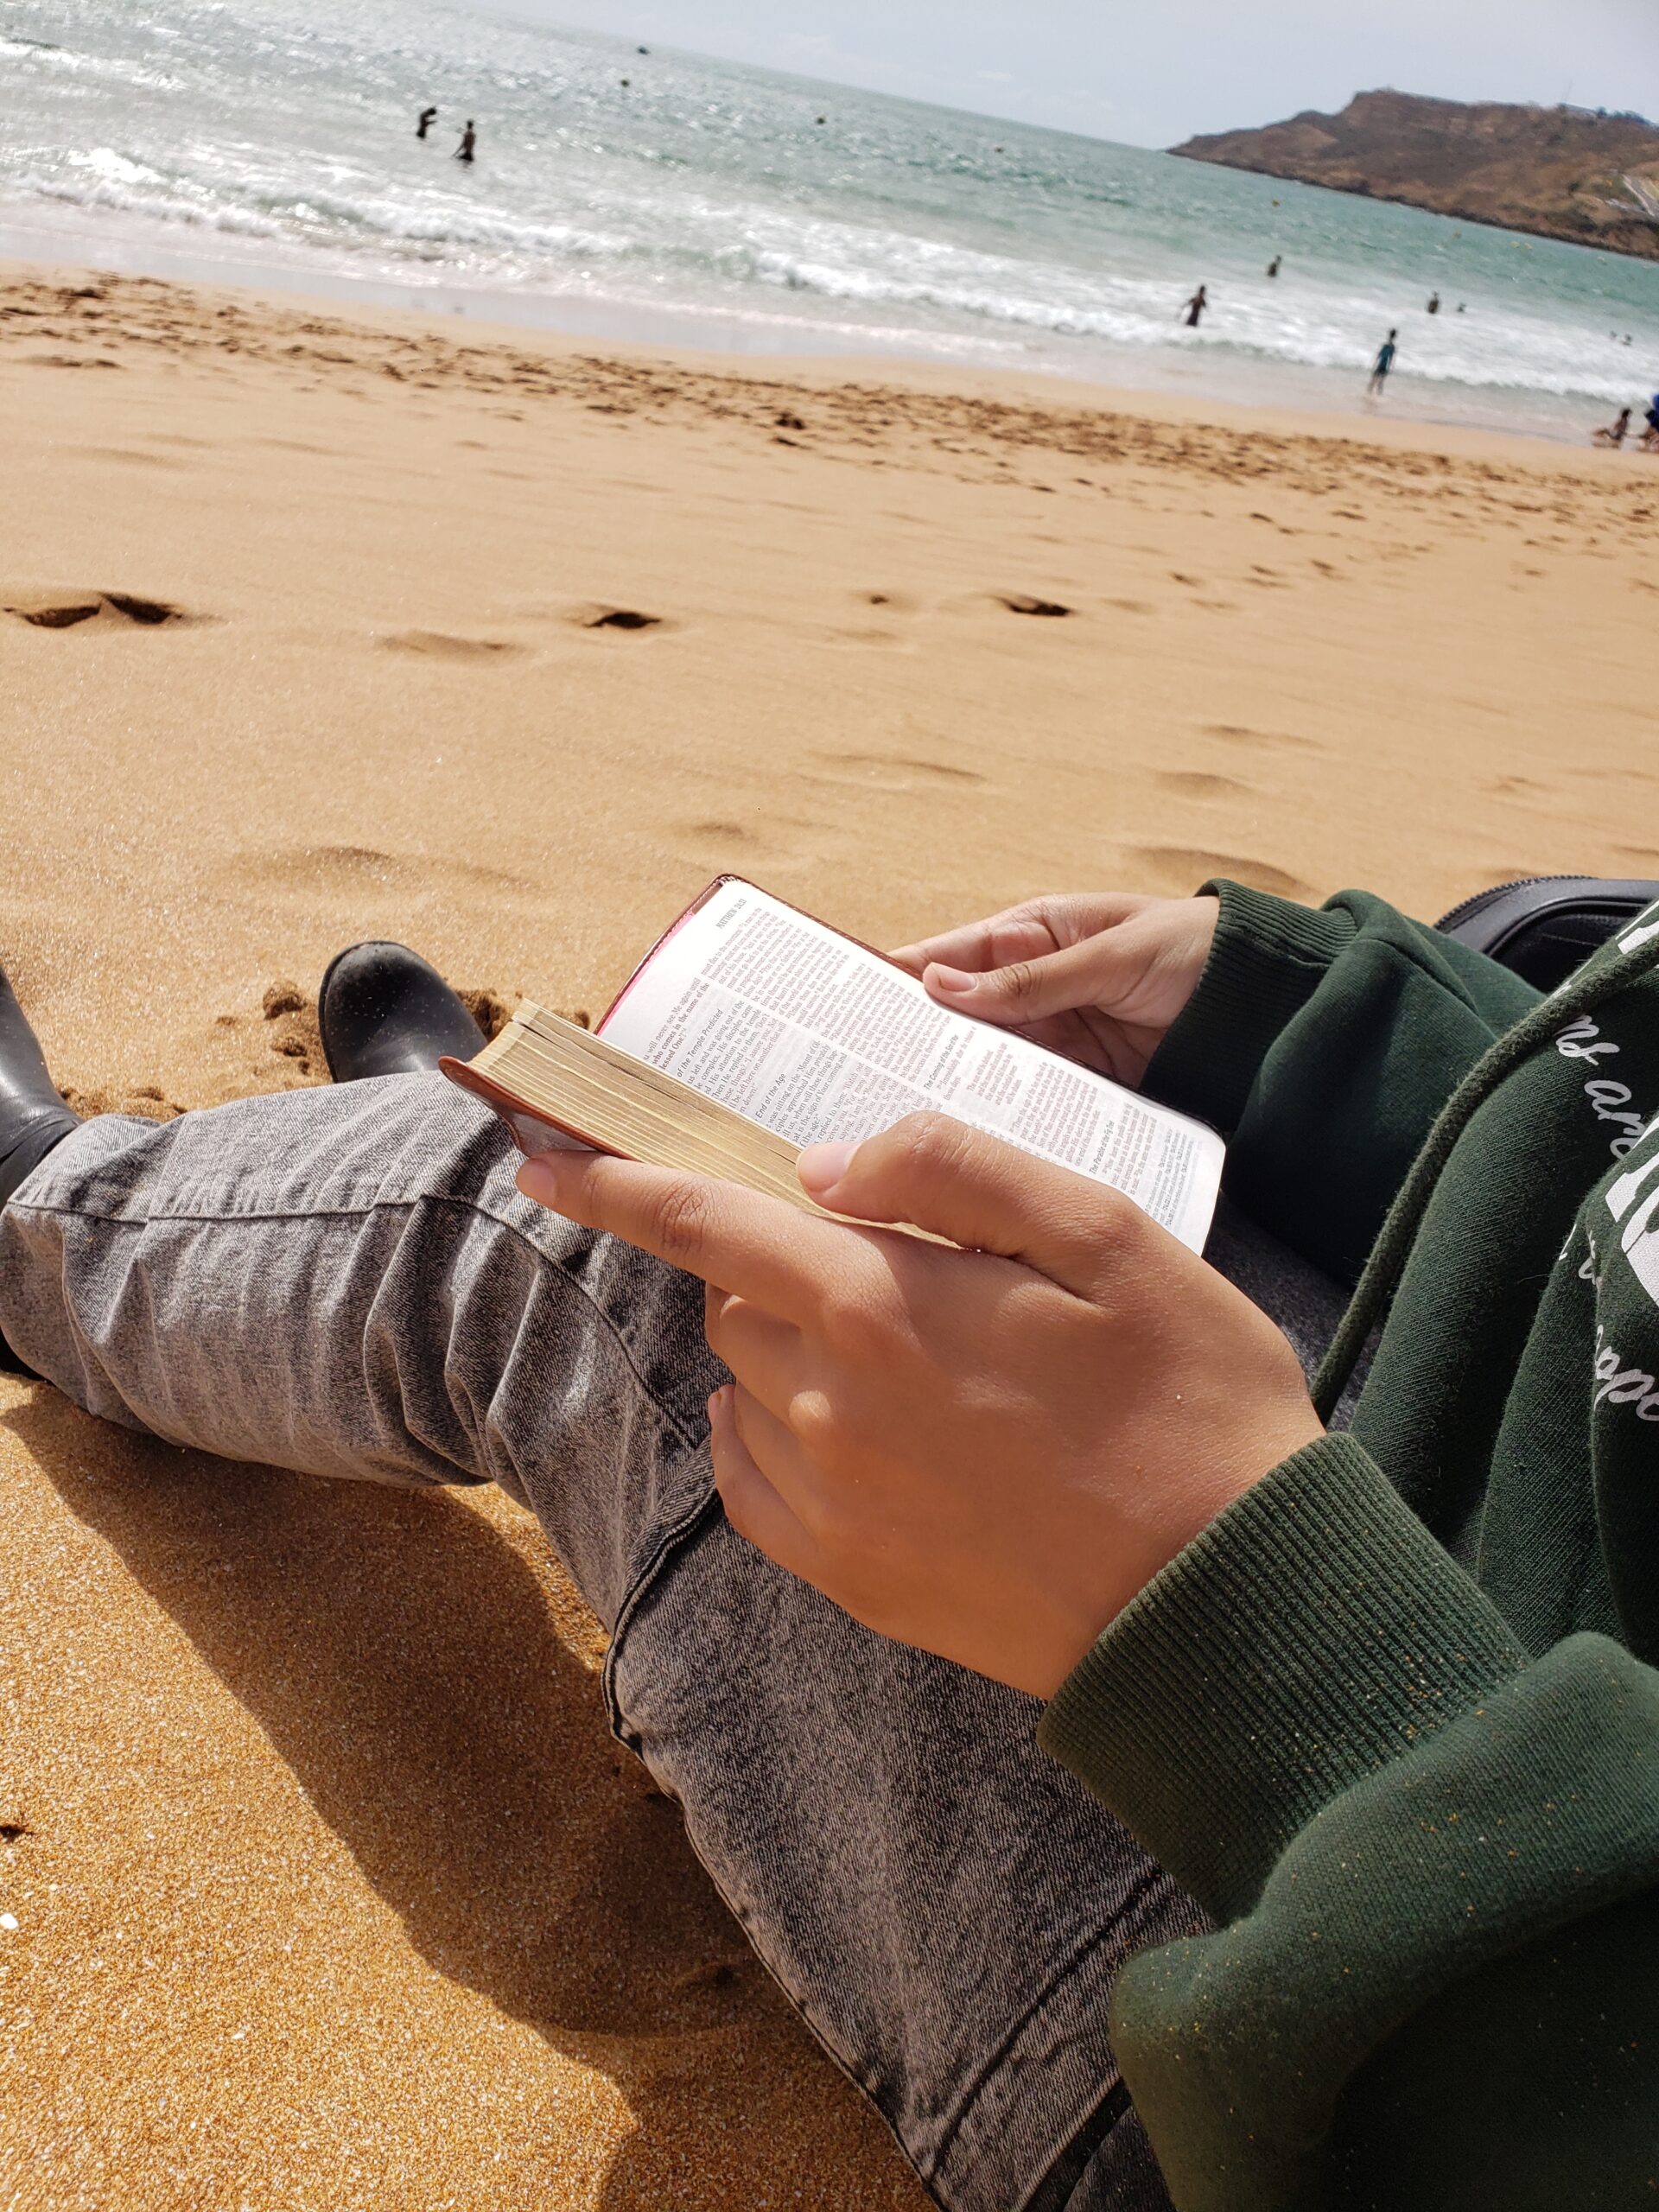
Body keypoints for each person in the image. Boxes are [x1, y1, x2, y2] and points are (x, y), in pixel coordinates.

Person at [3, 877, 1659, 2209]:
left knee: (621, 1251)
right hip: (1491, 1496)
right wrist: (1328, 1025)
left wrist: (1252, 1633)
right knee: (816, 1125)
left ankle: (50, 1217)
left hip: (1397, 1977)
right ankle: (408, 1153)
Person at [1367, 327, 1397, 395]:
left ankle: (1368, 395)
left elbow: (1378, 355)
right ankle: (1379, 396)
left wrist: (1373, 364)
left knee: (1372, 381)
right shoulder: (1393, 347)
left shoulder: (1385, 345)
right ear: (1394, 337)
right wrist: (1390, 368)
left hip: (1380, 365)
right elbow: (1391, 359)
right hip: (1385, 366)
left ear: (1389, 335)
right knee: (1380, 383)